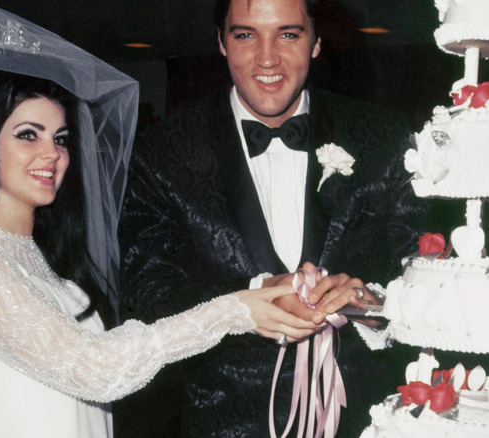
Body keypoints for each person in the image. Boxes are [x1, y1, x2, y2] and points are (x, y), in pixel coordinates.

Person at [0, 6, 318, 437]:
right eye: (27, 135)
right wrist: (232, 311)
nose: (51, 155)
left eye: (59, 138)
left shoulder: (43, 254)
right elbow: (96, 371)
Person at [115, 0, 428, 436]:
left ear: (317, 42)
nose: (267, 59)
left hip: (363, 420)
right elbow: (146, 291)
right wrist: (248, 299)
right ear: (221, 43)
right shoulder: (161, 150)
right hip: (223, 422)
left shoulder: (384, 136)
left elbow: (425, 269)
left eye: (288, 34)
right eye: (245, 35)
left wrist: (372, 303)